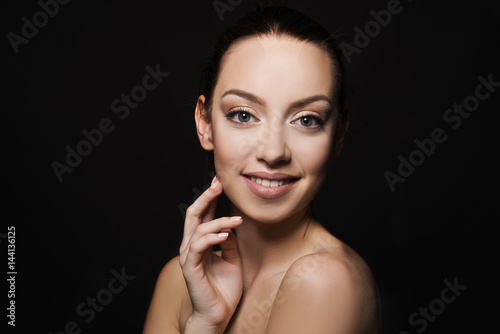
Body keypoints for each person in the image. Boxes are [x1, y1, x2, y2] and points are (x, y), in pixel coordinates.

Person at [143, 5, 381, 334]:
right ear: (205, 123)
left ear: (338, 135)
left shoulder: (324, 280)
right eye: (243, 115)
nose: (273, 152)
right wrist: (204, 323)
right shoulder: (180, 280)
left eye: (307, 120)